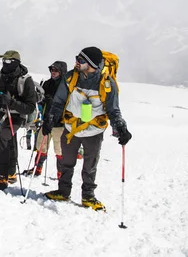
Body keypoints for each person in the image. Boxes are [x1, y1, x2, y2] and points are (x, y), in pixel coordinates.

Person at [43, 47, 132, 211]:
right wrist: (50, 118)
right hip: (71, 128)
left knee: (90, 165)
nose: (77, 61)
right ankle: (63, 191)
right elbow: (59, 102)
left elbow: (113, 110)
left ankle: (88, 197)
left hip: (94, 131)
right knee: (66, 162)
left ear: (91, 64)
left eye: (81, 60)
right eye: (77, 58)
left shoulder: (106, 83)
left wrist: (120, 127)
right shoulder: (71, 77)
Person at [0, 50, 37, 190]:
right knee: (10, 142)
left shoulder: (25, 80)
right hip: (2, 114)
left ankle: (1, 176)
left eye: (8, 61)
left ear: (15, 62)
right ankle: (11, 173)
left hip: (17, 116)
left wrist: (12, 102)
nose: (4, 64)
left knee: (3, 138)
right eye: (3, 61)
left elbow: (30, 107)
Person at [22, 61, 68, 177]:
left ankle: (60, 173)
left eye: (55, 70)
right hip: (46, 121)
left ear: (62, 71)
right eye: (52, 69)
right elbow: (41, 101)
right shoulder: (47, 84)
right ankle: (37, 169)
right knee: (41, 146)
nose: (53, 72)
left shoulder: (67, 85)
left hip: (60, 124)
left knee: (60, 150)